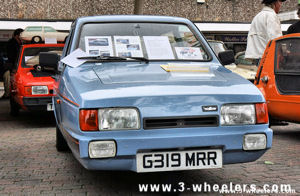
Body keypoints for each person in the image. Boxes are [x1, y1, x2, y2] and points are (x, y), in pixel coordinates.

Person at [245, 0, 286, 66]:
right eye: (280, 2)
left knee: (262, 76)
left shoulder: (258, 16)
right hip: (267, 59)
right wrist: (284, 53)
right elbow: (276, 40)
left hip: (258, 58)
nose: (280, 5)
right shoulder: (271, 16)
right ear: (275, 3)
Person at [1, 28, 23, 99]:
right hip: (12, 66)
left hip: (15, 65)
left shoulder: (20, 44)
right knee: (8, 77)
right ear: (17, 36)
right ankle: (8, 94)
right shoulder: (12, 43)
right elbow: (12, 57)